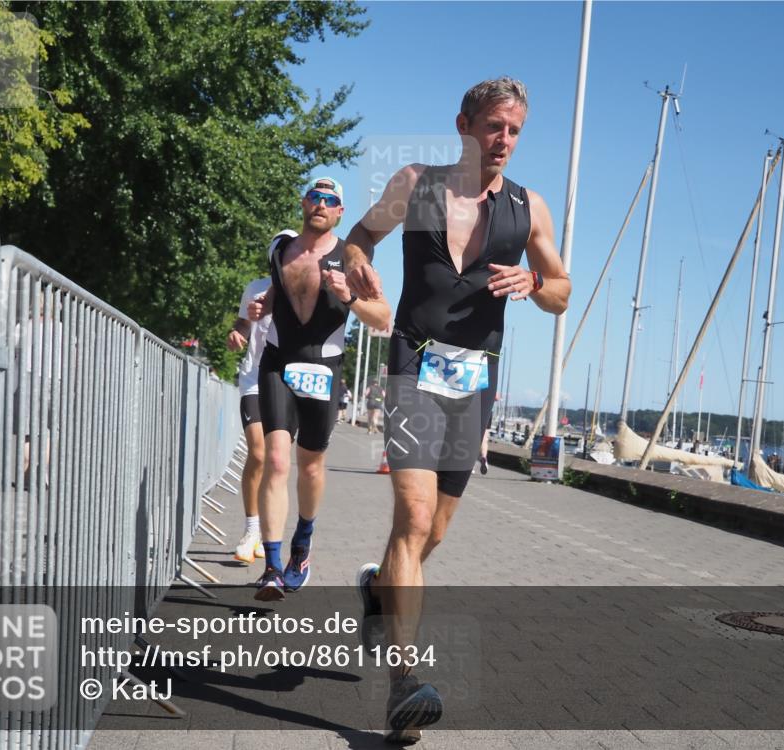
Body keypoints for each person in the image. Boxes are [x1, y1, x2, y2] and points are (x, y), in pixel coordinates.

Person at [343, 78, 571, 741]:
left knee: (433, 533)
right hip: (414, 362)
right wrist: (357, 263)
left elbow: (562, 289)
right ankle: (403, 685)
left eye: (515, 130)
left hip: (474, 380)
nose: (504, 140)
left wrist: (534, 281)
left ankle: (377, 591)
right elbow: (361, 236)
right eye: (494, 126)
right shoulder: (416, 183)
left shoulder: (528, 208)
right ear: (464, 125)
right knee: (413, 516)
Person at [248, 177, 390, 601]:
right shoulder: (280, 248)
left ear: (340, 211)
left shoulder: (351, 258)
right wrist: (262, 306)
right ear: (304, 202)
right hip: (278, 362)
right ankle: (272, 568)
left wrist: (350, 298)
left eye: (330, 200)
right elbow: (279, 290)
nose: (321, 205)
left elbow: (384, 317)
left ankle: (302, 544)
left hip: (323, 368)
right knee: (277, 459)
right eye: (315, 197)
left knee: (310, 467)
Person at [226, 229, 298, 565]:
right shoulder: (255, 288)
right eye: (280, 255)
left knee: (277, 460)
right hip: (254, 379)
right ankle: (251, 529)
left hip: (289, 383)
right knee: (257, 452)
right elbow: (243, 324)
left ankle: (271, 537)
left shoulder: (305, 291)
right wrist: (236, 333)